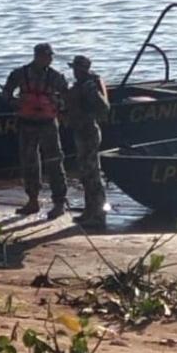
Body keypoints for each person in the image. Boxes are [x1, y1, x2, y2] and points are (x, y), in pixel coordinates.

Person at [2, 43, 69, 220]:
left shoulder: (56, 77)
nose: (50, 59)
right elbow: (6, 92)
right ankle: (32, 200)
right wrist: (16, 103)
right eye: (47, 56)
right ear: (37, 56)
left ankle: (59, 202)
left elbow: (66, 97)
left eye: (51, 56)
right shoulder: (20, 74)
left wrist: (56, 105)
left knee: (55, 161)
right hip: (27, 123)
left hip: (48, 123)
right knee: (29, 162)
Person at [67, 55, 110, 229]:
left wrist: (87, 115)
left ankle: (98, 214)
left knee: (92, 174)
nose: (75, 72)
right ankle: (89, 210)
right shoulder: (82, 85)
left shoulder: (89, 86)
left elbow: (103, 108)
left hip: (89, 131)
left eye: (77, 69)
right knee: (85, 173)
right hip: (81, 130)